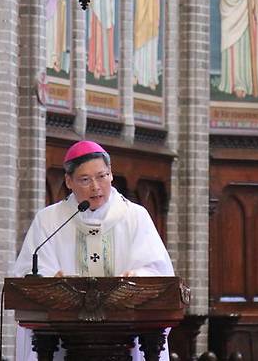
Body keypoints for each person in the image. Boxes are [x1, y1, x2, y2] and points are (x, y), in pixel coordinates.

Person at [12, 140, 174, 360]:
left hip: (127, 335)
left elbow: (158, 272)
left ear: (111, 175)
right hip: (60, 339)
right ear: (69, 181)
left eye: (102, 176)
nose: (96, 187)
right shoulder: (49, 220)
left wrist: (137, 277)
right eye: (85, 180)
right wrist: (52, 278)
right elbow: (30, 274)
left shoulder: (135, 217)